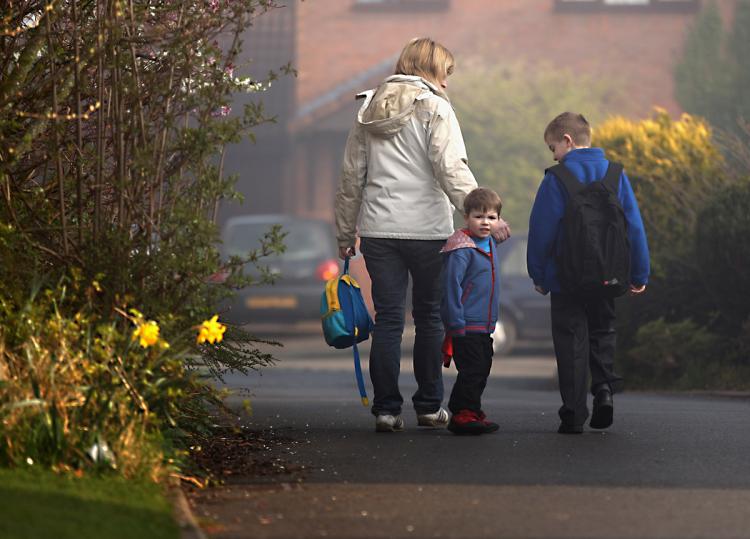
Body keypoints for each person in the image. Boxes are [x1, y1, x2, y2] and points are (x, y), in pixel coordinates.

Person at [334, 37, 511, 433]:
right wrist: (485, 216)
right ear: (430, 70)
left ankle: (385, 409)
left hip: (379, 231)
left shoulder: (369, 108)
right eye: (444, 74)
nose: (446, 84)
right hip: (429, 233)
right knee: (430, 318)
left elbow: (351, 178)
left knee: (390, 320)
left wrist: (346, 232)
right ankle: (429, 407)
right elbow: (451, 167)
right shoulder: (435, 108)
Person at [527, 112, 650, 434]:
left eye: (553, 147)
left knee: (570, 341)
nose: (553, 155)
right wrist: (640, 273)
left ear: (567, 141)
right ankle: (604, 391)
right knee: (602, 333)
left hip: (567, 280)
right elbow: (633, 227)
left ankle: (573, 413)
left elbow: (542, 230)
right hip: (608, 275)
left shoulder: (556, 178)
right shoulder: (615, 174)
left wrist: (538, 275)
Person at [440, 187, 503, 435]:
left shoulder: (489, 244)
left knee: (482, 367)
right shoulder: (462, 249)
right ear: (466, 217)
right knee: (472, 369)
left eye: (491, 217)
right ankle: (461, 413)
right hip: (466, 323)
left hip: (484, 324)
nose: (485, 222)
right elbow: (451, 286)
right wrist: (454, 321)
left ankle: (473, 410)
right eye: (478, 216)